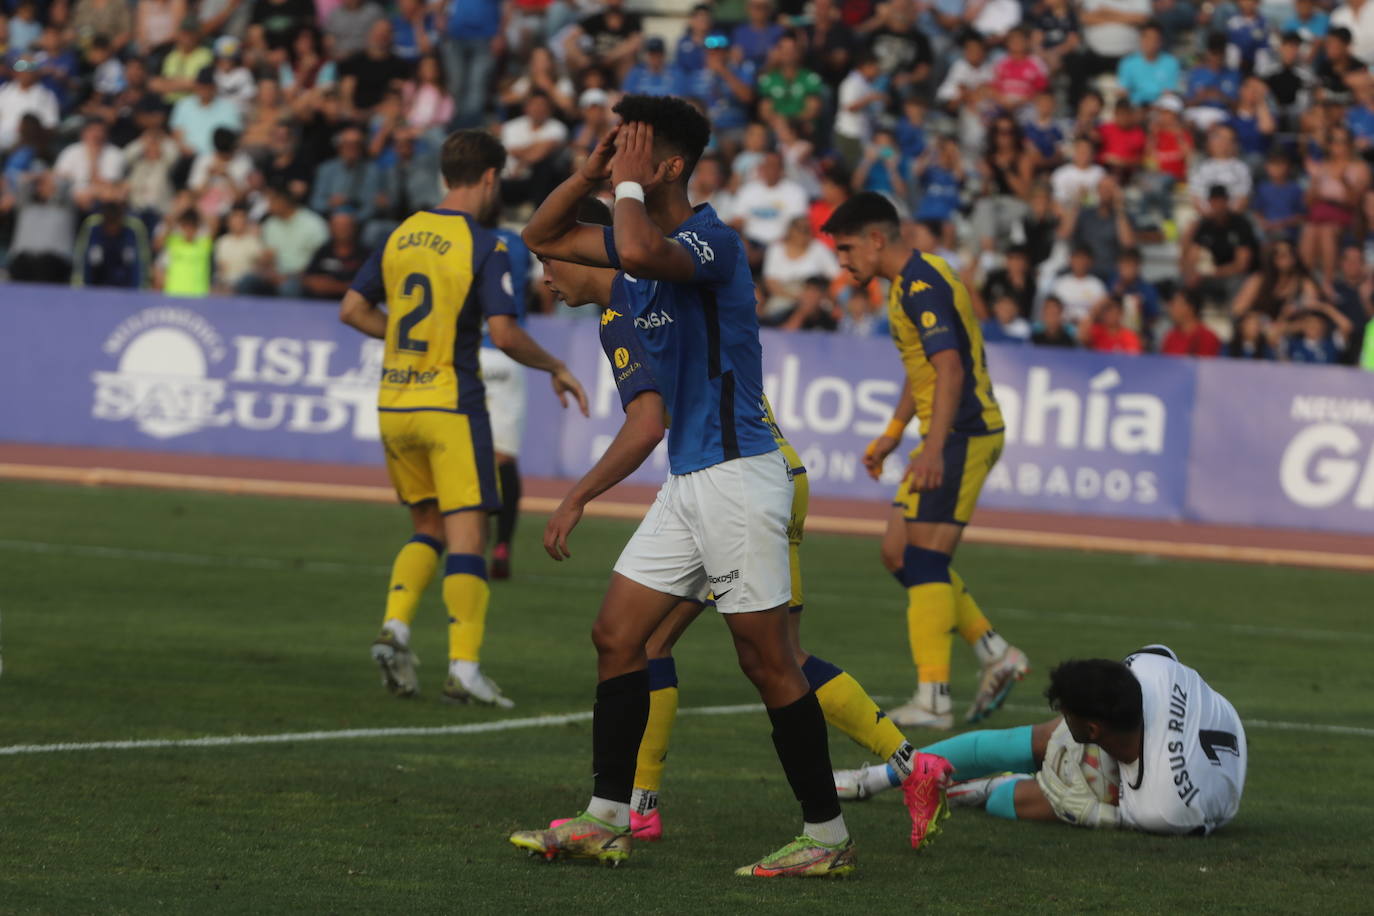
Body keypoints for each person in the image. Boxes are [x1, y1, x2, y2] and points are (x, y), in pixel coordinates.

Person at [535, 196, 950, 850]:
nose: (545, 279)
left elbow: (650, 419)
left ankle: (644, 806)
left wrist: (576, 496)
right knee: (686, 644)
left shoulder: (651, 282)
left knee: (738, 653)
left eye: (547, 262)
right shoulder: (620, 312)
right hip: (732, 474)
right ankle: (909, 763)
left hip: (744, 476)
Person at [513, 95, 856, 876]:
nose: (619, 163)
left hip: (739, 476)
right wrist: (590, 173)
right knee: (616, 636)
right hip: (691, 481)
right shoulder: (629, 231)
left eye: (633, 150)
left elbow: (635, 251)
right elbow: (541, 237)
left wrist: (626, 189)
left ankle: (827, 837)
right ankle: (606, 816)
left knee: (768, 661)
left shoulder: (712, 241)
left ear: (667, 165)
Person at [339, 129, 588, 709]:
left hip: (395, 402)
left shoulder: (402, 235)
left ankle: (396, 626)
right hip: (450, 405)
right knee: (468, 534)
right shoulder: (488, 244)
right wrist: (553, 364)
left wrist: (405, 339)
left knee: (426, 525)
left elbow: (353, 309)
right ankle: (465, 667)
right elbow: (502, 332)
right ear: (491, 178)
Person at [824, 192, 1030, 732]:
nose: (842, 263)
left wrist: (934, 447)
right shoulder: (913, 280)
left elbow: (951, 369)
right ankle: (995, 653)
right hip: (947, 432)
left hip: (962, 433)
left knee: (925, 562)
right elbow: (923, 371)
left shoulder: (918, 286)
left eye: (846, 249)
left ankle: (933, 697)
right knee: (898, 552)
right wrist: (894, 434)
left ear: (876, 239)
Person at [839, 647, 1247, 837]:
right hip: (1212, 728)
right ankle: (880, 777)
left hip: (1199, 797)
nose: (1065, 721)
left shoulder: (1164, 807)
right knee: (1051, 741)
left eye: (1074, 717)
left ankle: (990, 789)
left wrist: (1092, 814)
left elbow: (1171, 818)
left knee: (1073, 792)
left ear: (1094, 729)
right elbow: (1160, 655)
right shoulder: (1147, 670)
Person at [479, 218, 535, 581]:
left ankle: (471, 540)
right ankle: (502, 544)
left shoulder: (465, 237)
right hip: (509, 352)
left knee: (469, 454)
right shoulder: (516, 244)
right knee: (504, 457)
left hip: (469, 351)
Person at [72, 202, 150, 289]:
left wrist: (138, 293)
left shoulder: (132, 231)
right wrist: (81, 290)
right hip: (96, 289)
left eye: (114, 224)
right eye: (109, 224)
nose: (112, 229)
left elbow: (139, 268)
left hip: (126, 291)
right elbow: (81, 264)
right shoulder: (92, 229)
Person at [302, 210, 368, 300]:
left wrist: (335, 286)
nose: (342, 230)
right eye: (337, 226)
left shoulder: (365, 253)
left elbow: (368, 286)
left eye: (345, 226)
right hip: (320, 303)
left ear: (354, 227)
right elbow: (308, 278)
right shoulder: (323, 251)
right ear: (330, 228)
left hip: (353, 304)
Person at [1160, 288, 1222, 356]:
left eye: (1175, 304)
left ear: (1190, 308)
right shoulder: (1171, 336)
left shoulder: (1207, 338)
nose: (1171, 309)